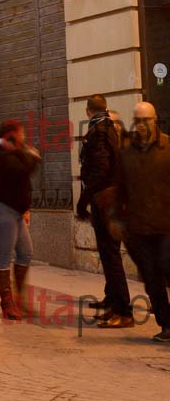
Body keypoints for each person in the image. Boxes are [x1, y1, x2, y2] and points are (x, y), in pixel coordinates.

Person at [110, 101, 170, 343]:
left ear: (155, 120)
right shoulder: (126, 152)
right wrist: (115, 217)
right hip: (139, 227)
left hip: (167, 225)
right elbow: (119, 189)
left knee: (168, 267)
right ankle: (167, 325)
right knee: (152, 278)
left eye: (146, 120)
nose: (142, 125)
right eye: (138, 121)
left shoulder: (168, 148)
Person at [76, 94, 133, 328]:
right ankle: (113, 305)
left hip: (105, 201)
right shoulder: (110, 129)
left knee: (111, 256)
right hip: (111, 200)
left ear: (88, 111)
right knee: (110, 255)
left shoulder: (99, 132)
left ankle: (124, 311)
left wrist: (84, 198)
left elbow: (100, 170)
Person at [0, 119, 41, 320]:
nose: (24, 136)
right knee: (4, 256)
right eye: (20, 133)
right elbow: (21, 171)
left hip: (18, 212)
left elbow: (24, 180)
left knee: (26, 253)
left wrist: (26, 208)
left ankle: (20, 300)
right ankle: (7, 304)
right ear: (11, 134)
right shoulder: (1, 154)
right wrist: (31, 156)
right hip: (4, 210)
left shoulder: (16, 151)